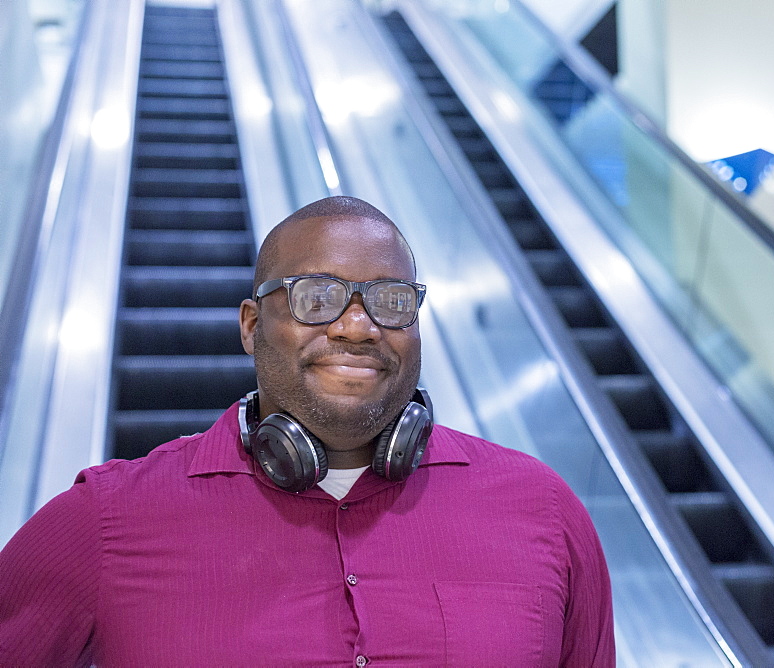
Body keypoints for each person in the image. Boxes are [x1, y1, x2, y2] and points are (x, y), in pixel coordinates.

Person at [0, 196, 615, 666]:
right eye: (314, 297)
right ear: (250, 325)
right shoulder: (106, 520)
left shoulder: (543, 510)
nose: (357, 326)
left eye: (391, 300)